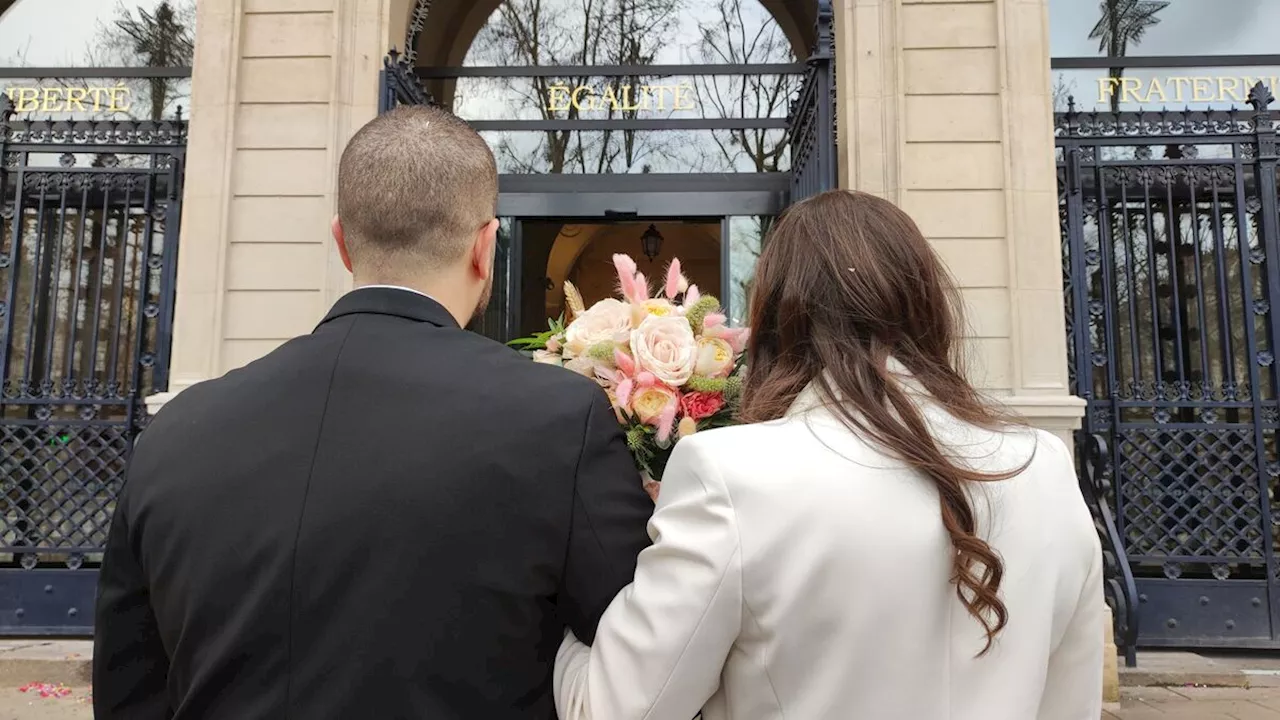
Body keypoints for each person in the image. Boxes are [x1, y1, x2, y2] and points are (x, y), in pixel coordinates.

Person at [93, 105, 654, 719]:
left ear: (341, 240)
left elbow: (129, 691)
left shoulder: (176, 431)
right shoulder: (558, 416)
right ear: (485, 246)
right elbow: (632, 635)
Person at [554, 189, 1105, 720]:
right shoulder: (1045, 467)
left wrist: (553, 620)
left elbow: (615, 707)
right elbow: (1071, 700)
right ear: (928, 307)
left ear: (776, 319)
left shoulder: (727, 474)